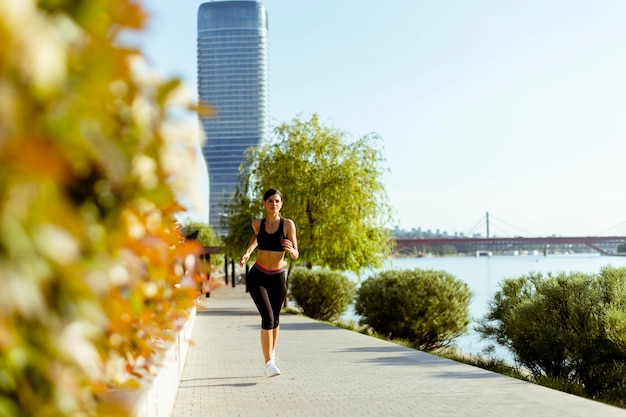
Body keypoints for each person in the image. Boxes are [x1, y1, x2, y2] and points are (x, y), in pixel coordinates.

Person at [240, 188, 299, 377]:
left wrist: (291, 251)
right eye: (270, 201)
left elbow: (297, 254)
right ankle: (268, 363)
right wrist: (247, 253)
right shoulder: (257, 224)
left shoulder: (288, 225)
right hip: (258, 275)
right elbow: (256, 239)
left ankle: (271, 352)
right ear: (264, 203)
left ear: (281, 203)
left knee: (276, 319)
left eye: (277, 201)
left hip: (278, 277)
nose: (274, 204)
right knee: (267, 317)